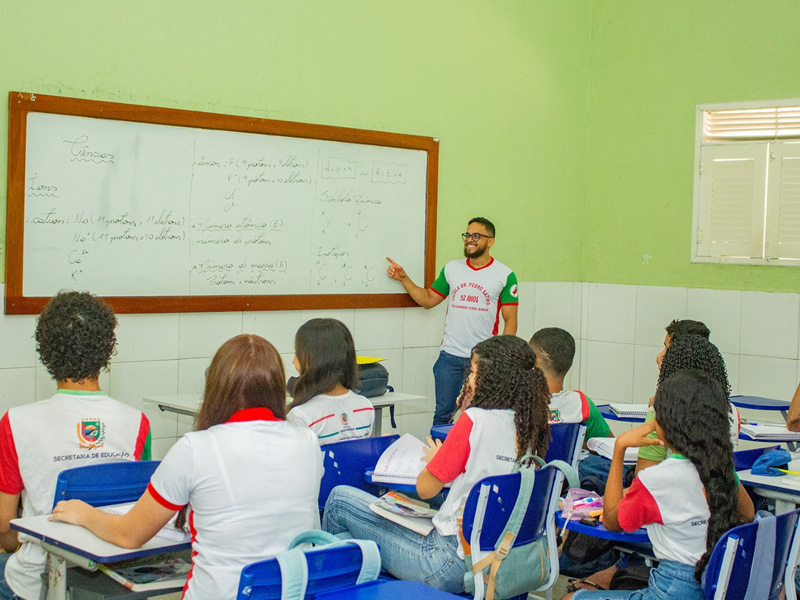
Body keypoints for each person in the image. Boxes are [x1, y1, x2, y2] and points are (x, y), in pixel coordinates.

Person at [50, 334, 323, 600]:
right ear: (277, 386)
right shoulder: (308, 440)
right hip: (293, 591)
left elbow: (128, 535)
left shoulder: (196, 448)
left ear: (215, 387)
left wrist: (84, 514)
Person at [322, 335, 550, 593]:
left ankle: (334, 588)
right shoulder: (532, 425)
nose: (470, 379)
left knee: (339, 499)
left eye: (474, 372)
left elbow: (425, 489)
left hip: (445, 562)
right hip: (497, 558)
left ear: (492, 378)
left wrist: (437, 458)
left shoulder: (474, 421)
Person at [0, 291, 152, 600]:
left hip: (35, 583)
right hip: (111, 583)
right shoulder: (138, 423)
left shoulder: (15, 423)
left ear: (45, 350)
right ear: (106, 350)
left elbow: (4, 526)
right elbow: (138, 515)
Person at [565, 370, 754, 600]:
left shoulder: (656, 479)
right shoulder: (723, 468)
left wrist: (620, 449)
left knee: (571, 599)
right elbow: (748, 514)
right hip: (715, 583)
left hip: (671, 588)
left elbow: (612, 521)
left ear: (666, 422)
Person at [386, 217, 519, 425]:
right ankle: (439, 456)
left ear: (490, 241)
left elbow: (510, 320)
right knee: (443, 416)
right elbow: (429, 299)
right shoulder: (452, 269)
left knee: (481, 418)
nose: (469, 240)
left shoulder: (505, 275)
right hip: (450, 358)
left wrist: (502, 360)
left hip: (484, 361)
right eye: (467, 235)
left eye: (476, 236)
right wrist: (404, 279)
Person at [637, 334, 739, 474]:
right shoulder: (730, 411)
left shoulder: (662, 412)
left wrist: (620, 448)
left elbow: (642, 476)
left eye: (666, 350)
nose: (660, 357)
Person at [287, 318, 374, 443]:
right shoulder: (365, 406)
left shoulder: (300, 416)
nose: (294, 360)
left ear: (314, 358)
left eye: (297, 353)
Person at [529, 327, 611, 441]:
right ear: (570, 364)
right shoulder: (582, 404)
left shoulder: (516, 402)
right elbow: (609, 446)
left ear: (531, 361)